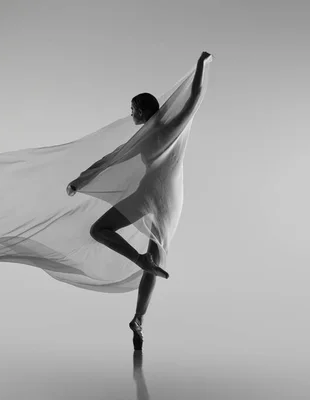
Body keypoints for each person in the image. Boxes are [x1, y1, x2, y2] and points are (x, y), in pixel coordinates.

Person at [67, 51, 212, 350]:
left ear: (143, 111)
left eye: (133, 109)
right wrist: (203, 66)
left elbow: (111, 159)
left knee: (100, 230)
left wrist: (81, 180)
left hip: (149, 195)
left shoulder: (152, 134)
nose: (131, 113)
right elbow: (197, 97)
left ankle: (139, 263)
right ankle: (139, 319)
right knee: (155, 258)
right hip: (171, 198)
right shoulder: (167, 129)